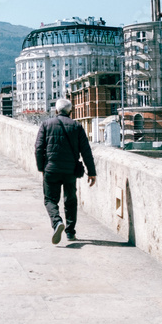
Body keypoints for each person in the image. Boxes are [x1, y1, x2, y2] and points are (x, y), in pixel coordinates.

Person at [35, 98, 97, 244]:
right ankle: (70, 232)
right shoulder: (77, 126)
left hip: (51, 169)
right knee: (70, 200)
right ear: (71, 111)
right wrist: (92, 172)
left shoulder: (46, 124)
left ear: (56, 111)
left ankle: (57, 222)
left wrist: (41, 168)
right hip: (70, 170)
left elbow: (38, 149)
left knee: (50, 200)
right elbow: (86, 151)